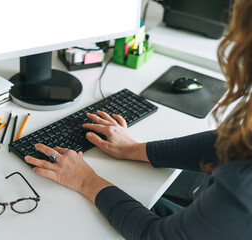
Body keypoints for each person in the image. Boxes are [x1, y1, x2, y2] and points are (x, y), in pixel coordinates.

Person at [25, 0, 252, 239]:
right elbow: (234, 143)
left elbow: (155, 236)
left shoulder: (243, 185)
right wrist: (133, 149)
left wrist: (84, 180)